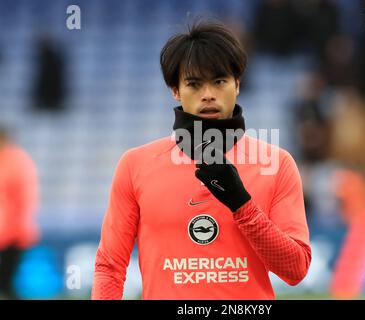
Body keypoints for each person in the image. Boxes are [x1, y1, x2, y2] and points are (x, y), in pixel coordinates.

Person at [91, 21, 311, 300]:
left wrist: (242, 206)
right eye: (194, 84)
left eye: (219, 81)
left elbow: (295, 270)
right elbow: (110, 267)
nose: (208, 94)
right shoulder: (135, 165)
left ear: (237, 84)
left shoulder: (276, 164)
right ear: (175, 90)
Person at [0, 126, 40, 299]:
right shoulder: (15, 160)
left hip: (11, 233)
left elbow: (24, 200)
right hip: (9, 230)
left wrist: (20, 228)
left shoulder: (16, 161)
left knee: (7, 281)